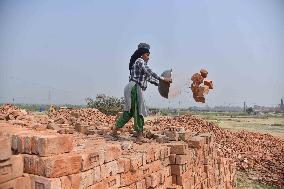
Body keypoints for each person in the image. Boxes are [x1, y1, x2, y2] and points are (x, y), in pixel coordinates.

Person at [111, 43, 172, 141]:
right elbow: (149, 71)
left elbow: (150, 78)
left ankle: (114, 131)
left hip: (132, 88)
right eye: (147, 55)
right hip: (135, 88)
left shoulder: (139, 64)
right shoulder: (139, 61)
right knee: (139, 111)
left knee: (129, 112)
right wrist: (163, 78)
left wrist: (162, 84)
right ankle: (139, 135)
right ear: (141, 54)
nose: (148, 58)